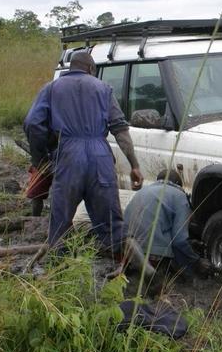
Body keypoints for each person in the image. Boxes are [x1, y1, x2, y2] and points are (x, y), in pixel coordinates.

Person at [23, 51, 143, 261]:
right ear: (90, 69)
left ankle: (59, 276)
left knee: (60, 221)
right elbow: (120, 130)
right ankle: (137, 269)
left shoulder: (51, 89)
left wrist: (40, 158)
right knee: (112, 223)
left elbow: (33, 124)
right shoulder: (104, 89)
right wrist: (134, 165)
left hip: (69, 156)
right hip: (100, 156)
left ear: (71, 67)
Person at [122, 169, 210, 278]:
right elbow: (179, 240)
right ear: (179, 185)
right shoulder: (179, 196)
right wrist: (197, 262)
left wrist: (190, 243)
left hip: (126, 251)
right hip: (151, 256)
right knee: (185, 273)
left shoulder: (142, 191)